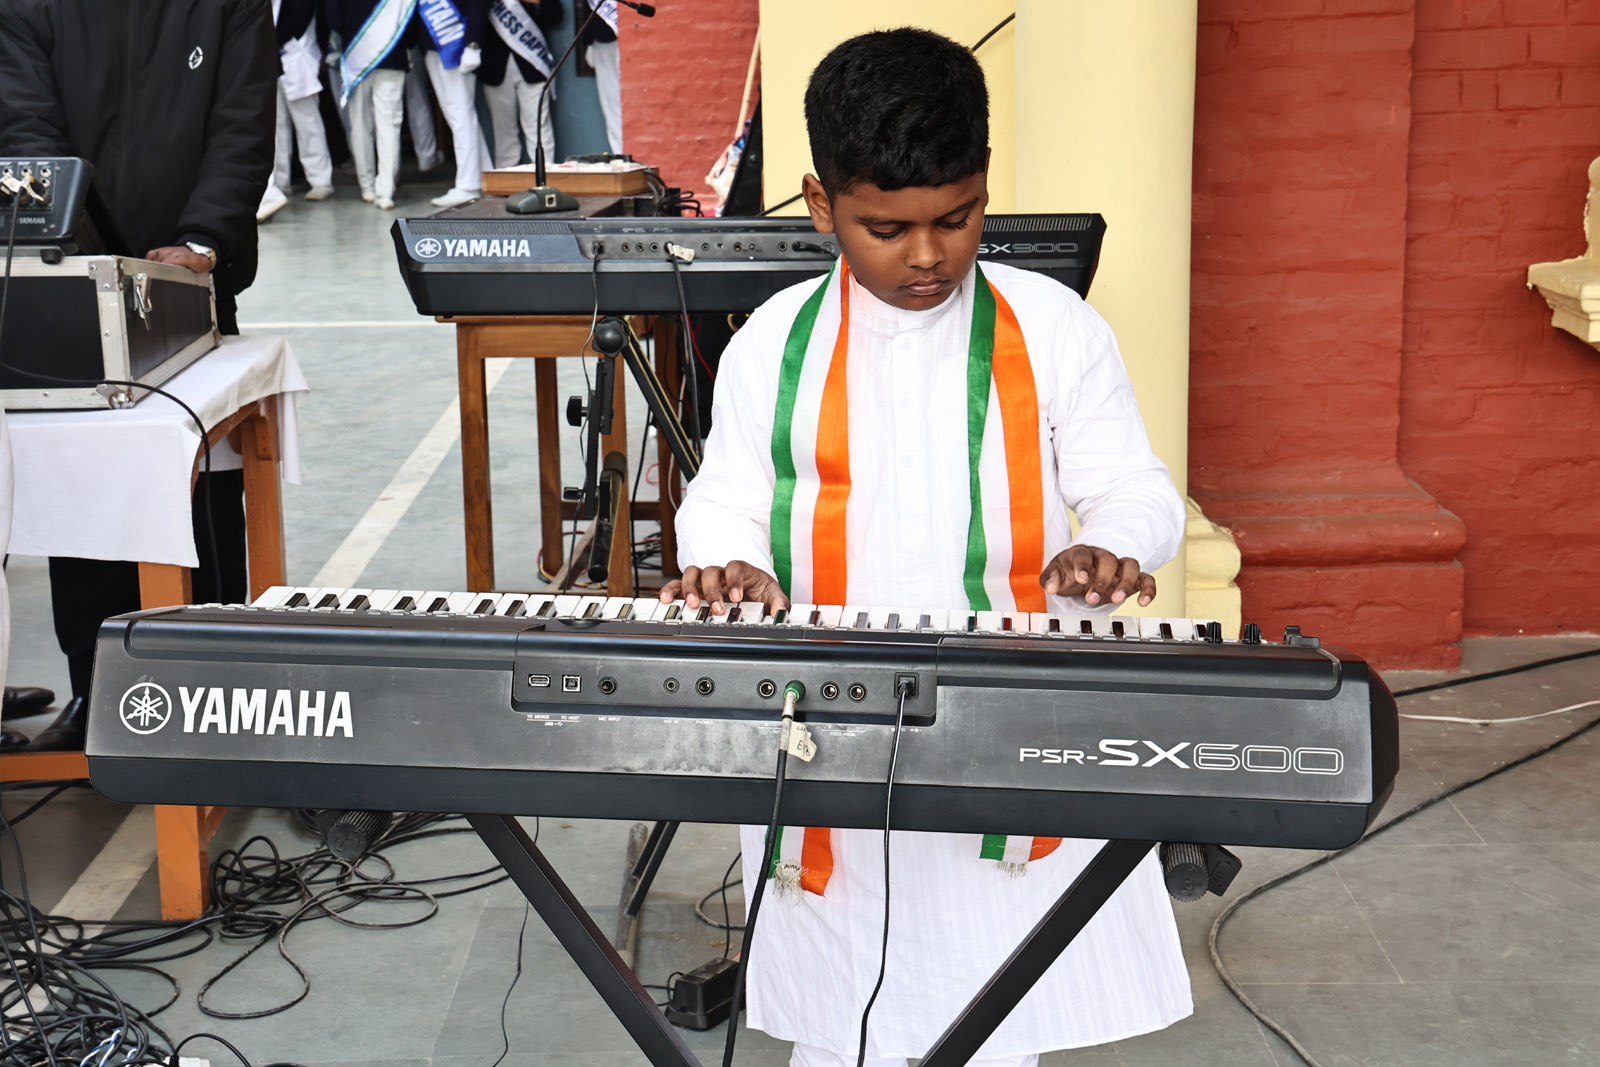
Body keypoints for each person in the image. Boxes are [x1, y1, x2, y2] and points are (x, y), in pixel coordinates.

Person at [663, 28, 1192, 1067]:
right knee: (842, 1018)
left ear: (985, 185)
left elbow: (1134, 488)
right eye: (887, 227)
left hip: (1007, 711)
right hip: (828, 719)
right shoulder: (771, 341)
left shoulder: (1054, 327)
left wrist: (1111, 544)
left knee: (993, 1011)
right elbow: (723, 498)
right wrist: (730, 561)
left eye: (956, 218)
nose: (926, 255)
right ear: (820, 206)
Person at [0, 0, 274, 750]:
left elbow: (241, 127)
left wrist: (203, 240)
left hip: (189, 283)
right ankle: (98, 691)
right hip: (67, 284)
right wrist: (65, 238)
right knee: (83, 495)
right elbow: (27, 132)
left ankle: (217, 689)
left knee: (202, 490)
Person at [324, 0, 411, 209]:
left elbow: (332, 17)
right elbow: (411, 17)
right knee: (389, 125)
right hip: (392, 53)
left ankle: (367, 187)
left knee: (359, 124)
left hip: (356, 55)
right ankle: (386, 190)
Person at [413, 0, 488, 208]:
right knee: (457, 115)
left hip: (456, 43)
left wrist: (473, 43)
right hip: (434, 45)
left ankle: (468, 185)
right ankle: (483, 175)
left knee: (461, 114)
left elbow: (479, 4)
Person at [268, 0, 336, 206]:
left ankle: (320, 180)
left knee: (308, 123)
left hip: (297, 57)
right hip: (270, 59)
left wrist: (268, 40)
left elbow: (298, 19)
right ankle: (279, 182)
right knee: (275, 125)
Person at [479, 0, 561, 168]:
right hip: (494, 65)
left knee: (538, 128)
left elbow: (555, 15)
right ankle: (506, 180)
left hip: (533, 63)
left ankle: (544, 176)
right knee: (504, 132)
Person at [581, 0, 621, 154]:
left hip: (628, 34)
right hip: (602, 38)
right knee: (611, 104)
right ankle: (620, 153)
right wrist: (589, 41)